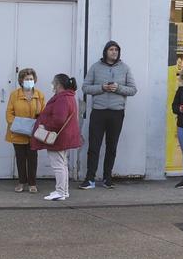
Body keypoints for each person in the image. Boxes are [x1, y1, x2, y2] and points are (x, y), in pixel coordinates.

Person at [83, 40, 137, 190]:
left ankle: (107, 178)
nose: (114, 52)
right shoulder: (95, 67)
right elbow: (85, 87)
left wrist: (118, 88)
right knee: (94, 146)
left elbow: (133, 90)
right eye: (111, 49)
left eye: (116, 50)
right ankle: (90, 179)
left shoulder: (125, 68)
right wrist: (102, 87)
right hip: (98, 112)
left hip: (116, 113)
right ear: (105, 51)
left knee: (111, 146)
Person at [36, 74, 82, 202]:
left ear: (58, 85)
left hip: (57, 137)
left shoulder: (61, 98)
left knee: (58, 165)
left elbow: (58, 119)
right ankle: (64, 191)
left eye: (53, 83)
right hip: (64, 136)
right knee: (63, 164)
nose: (52, 85)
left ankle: (60, 192)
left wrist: (45, 124)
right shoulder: (69, 96)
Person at [4, 67, 45, 192]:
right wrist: (16, 124)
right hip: (18, 131)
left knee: (33, 158)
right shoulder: (14, 95)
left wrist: (40, 123)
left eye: (31, 79)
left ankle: (32, 183)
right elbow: (9, 113)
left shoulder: (39, 95)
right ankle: (21, 182)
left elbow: (44, 112)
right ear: (21, 80)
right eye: (27, 79)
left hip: (33, 132)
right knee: (20, 158)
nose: (29, 81)